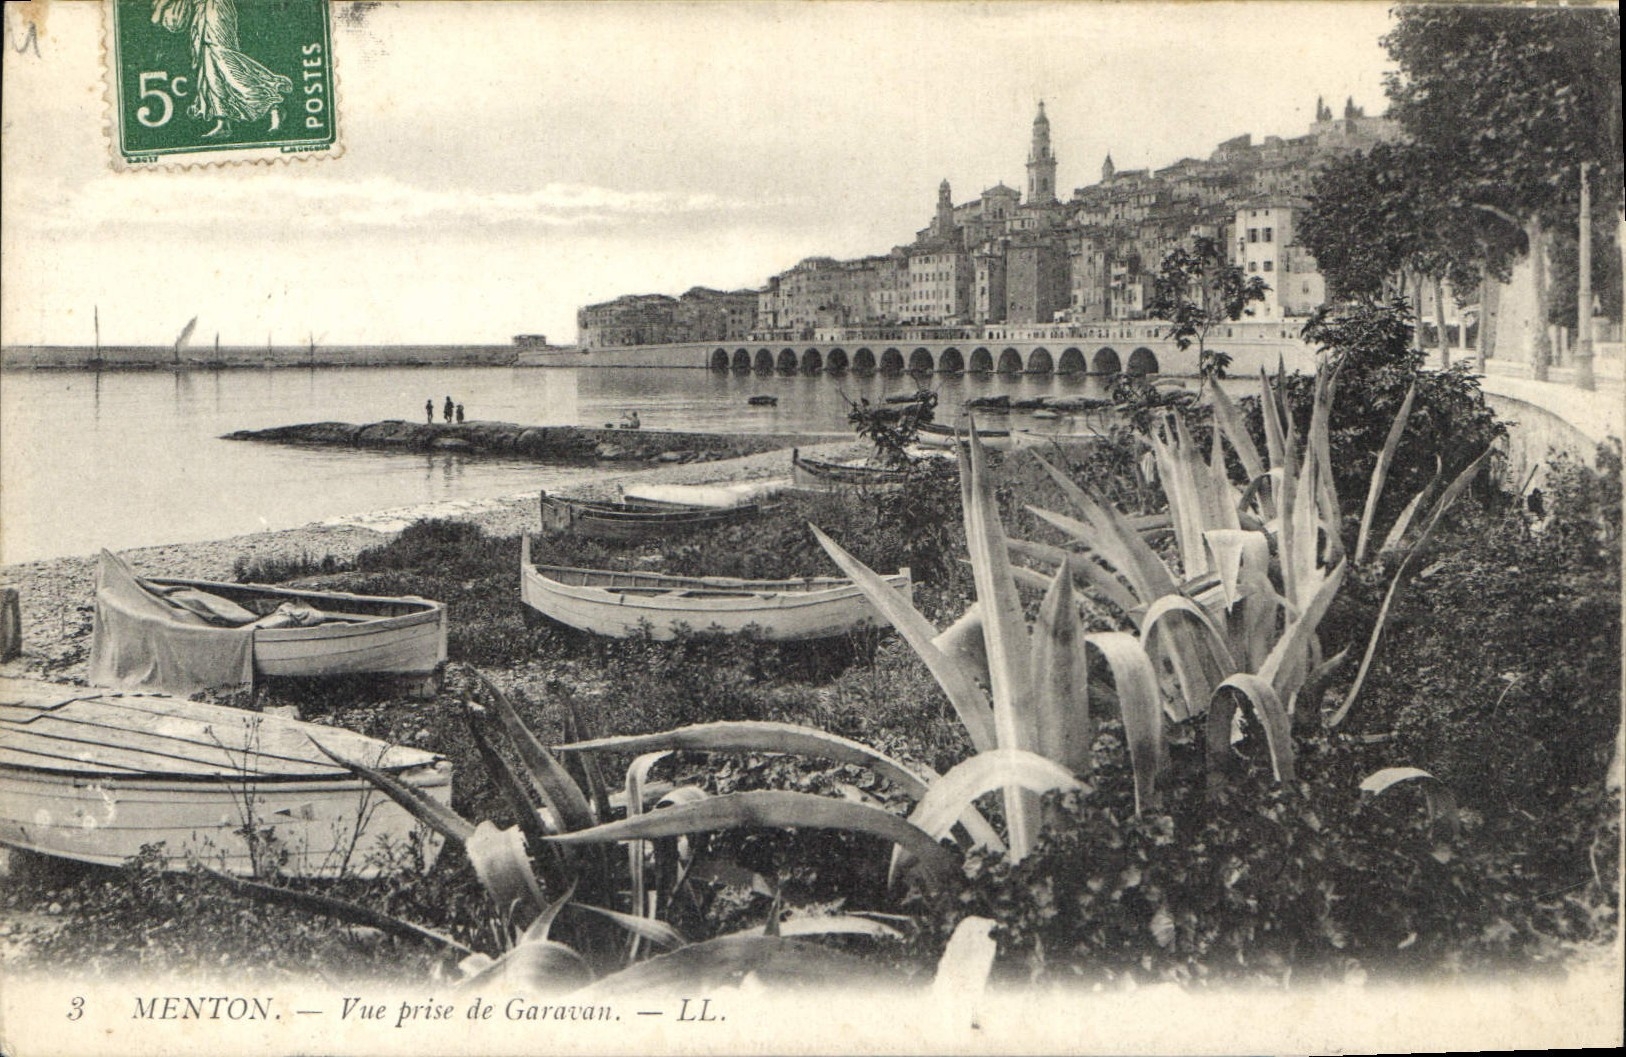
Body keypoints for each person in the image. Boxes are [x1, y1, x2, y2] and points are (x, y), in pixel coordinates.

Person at [151, 0, 294, 138]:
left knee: (224, 62)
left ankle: (273, 106)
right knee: (209, 67)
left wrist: (160, 8)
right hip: (202, 11)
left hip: (216, 8)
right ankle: (223, 122)